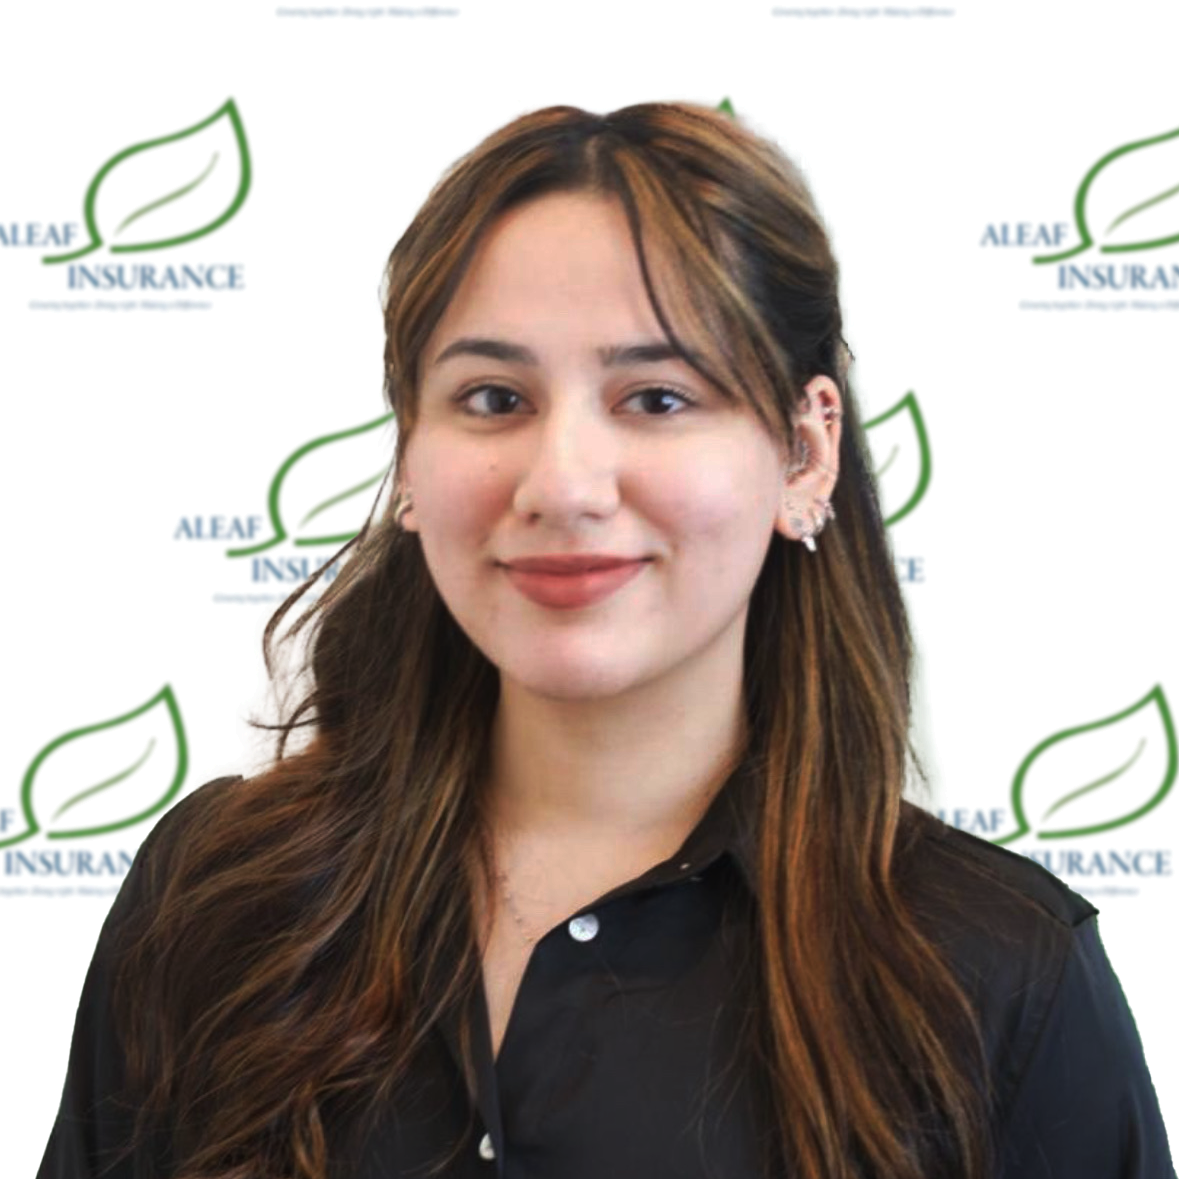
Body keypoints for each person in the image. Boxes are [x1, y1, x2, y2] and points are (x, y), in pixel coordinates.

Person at [37, 101, 1175, 1179]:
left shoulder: (997, 973)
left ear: (802, 453)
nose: (564, 483)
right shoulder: (218, 897)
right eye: (492, 399)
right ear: (408, 459)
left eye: (658, 399)